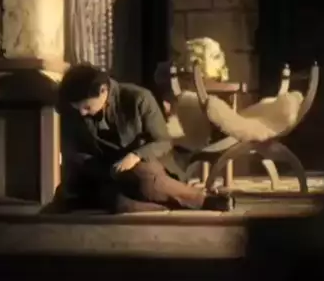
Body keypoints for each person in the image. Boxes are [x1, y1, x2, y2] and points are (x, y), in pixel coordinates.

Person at [51, 63, 230, 213]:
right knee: (73, 196)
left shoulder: (138, 98)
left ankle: (203, 200)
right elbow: (75, 154)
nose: (82, 113)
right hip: (103, 172)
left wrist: (135, 156)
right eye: (78, 109)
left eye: (87, 108)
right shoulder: (73, 111)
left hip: (144, 166)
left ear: (103, 90)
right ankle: (151, 206)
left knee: (145, 179)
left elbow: (163, 142)